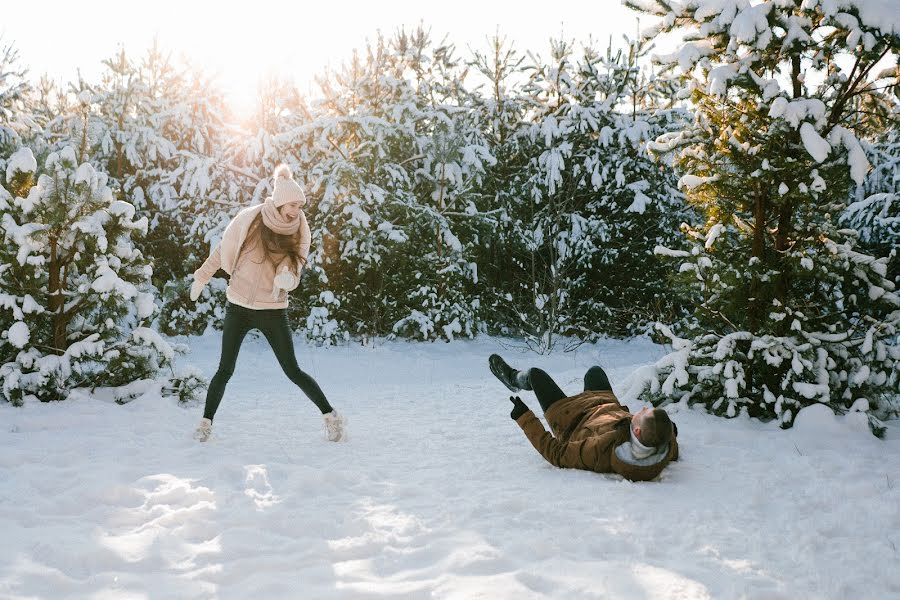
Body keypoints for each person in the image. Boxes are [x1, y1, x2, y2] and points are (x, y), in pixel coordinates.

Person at [189, 164, 344, 443]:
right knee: (225, 369)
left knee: (292, 370)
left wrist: (288, 281)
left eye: (300, 205)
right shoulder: (251, 221)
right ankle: (205, 424)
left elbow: (295, 270)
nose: (296, 211)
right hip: (238, 306)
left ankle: (332, 416)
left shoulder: (297, 231)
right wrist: (201, 277)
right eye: (292, 205)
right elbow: (223, 249)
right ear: (280, 201)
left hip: (272, 310)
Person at [488, 354, 677, 481]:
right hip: (604, 402)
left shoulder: (601, 450)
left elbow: (557, 454)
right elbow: (668, 433)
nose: (642, 408)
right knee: (595, 371)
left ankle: (513, 379)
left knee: (536, 375)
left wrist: (524, 417)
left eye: (643, 413)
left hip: (569, 417)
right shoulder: (665, 444)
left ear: (636, 431)